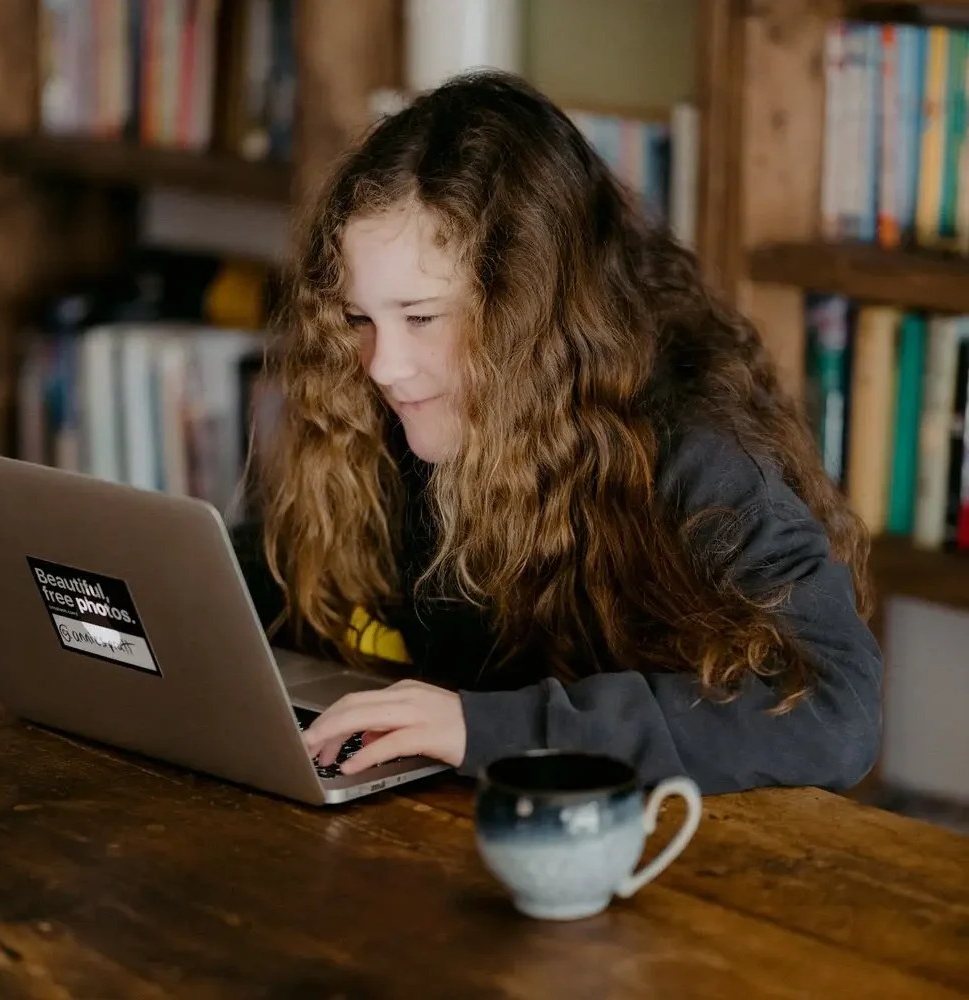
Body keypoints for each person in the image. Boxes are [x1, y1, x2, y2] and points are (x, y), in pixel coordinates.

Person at [231, 70, 882, 796]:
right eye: (359, 319)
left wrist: (488, 729)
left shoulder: (695, 449)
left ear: (530, 313)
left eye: (422, 318)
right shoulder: (390, 415)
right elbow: (270, 579)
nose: (384, 366)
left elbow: (834, 711)